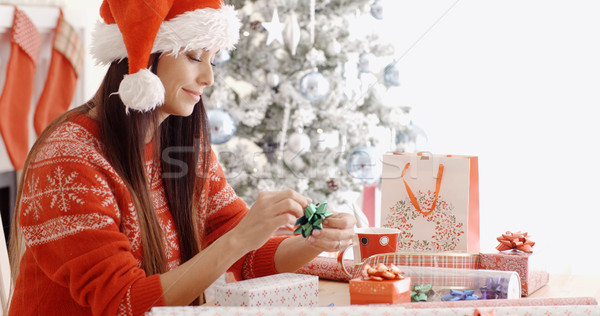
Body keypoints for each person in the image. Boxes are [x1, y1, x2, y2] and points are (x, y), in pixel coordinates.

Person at [7, 1, 355, 315]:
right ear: (144, 55)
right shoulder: (69, 158)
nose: (208, 78)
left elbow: (244, 254)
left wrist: (312, 243)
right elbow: (122, 303)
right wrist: (240, 238)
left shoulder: (181, 141)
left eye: (212, 59)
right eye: (193, 57)